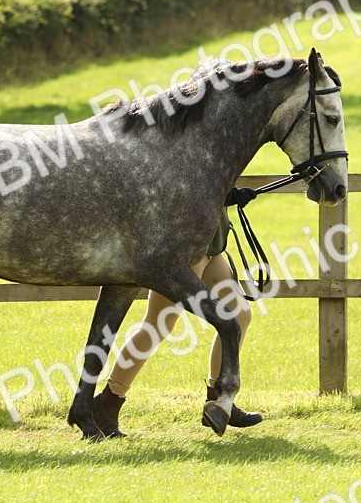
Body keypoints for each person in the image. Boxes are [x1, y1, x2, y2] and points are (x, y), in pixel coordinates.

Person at [92, 188, 264, 438]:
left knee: (239, 314)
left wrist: (228, 193)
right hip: (182, 255)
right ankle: (108, 401)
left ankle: (219, 400)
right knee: (157, 327)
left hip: (211, 248)